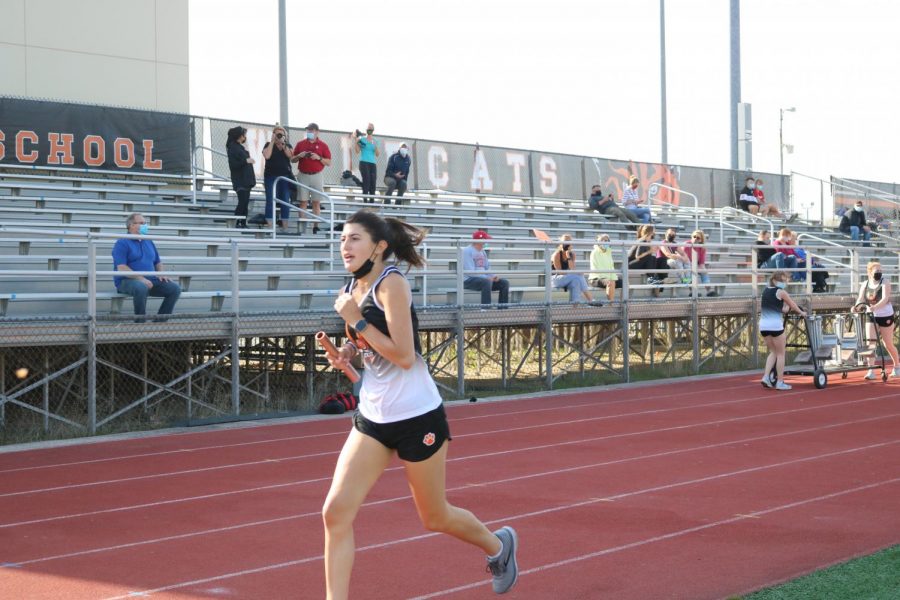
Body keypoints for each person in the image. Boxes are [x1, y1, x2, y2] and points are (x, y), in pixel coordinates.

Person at [322, 210, 519, 599]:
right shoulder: (353, 286)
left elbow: (405, 355)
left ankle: (498, 547)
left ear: (379, 247)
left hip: (417, 417)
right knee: (335, 513)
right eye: (343, 239)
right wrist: (347, 351)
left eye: (354, 239)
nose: (345, 246)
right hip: (374, 418)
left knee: (434, 516)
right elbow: (371, 349)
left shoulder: (390, 284)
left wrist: (356, 322)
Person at [112, 213, 181, 319]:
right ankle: (140, 322)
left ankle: (161, 321)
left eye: (145, 223)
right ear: (131, 225)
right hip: (126, 281)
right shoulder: (122, 243)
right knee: (141, 287)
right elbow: (121, 268)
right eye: (141, 223)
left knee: (174, 288)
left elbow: (157, 262)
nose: (145, 225)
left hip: (150, 280)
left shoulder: (148, 241)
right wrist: (141, 279)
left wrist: (161, 274)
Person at [759, 271, 807, 390]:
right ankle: (780, 382)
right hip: (775, 325)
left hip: (763, 326)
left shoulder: (765, 291)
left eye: (785, 281)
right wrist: (802, 312)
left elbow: (783, 309)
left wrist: (787, 308)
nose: (784, 283)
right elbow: (793, 304)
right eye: (783, 280)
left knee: (773, 352)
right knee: (781, 354)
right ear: (775, 280)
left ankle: (766, 376)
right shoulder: (781, 292)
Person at [853, 261, 900, 379]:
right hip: (871, 314)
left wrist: (874, 307)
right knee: (870, 342)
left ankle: (897, 366)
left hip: (885, 315)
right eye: (876, 271)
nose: (879, 273)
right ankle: (871, 370)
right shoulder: (865, 284)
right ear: (869, 272)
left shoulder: (885, 282)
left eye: (880, 271)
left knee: (887, 343)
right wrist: (856, 307)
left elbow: (885, 298)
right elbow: (860, 298)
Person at [292, 122, 332, 234]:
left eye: (312, 130)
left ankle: (316, 226)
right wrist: (300, 155)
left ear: (317, 131)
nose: (309, 132)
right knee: (303, 202)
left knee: (316, 202)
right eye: (308, 130)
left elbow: (328, 162)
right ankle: (302, 228)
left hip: (317, 175)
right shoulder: (300, 144)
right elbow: (292, 159)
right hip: (303, 174)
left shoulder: (323, 145)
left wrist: (318, 158)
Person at [261, 124, 295, 232]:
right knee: (270, 199)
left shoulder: (288, 145)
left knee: (285, 200)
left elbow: (291, 156)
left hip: (284, 177)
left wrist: (283, 144)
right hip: (270, 176)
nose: (279, 135)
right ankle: (270, 226)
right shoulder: (268, 144)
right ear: (273, 134)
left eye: (281, 133)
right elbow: (267, 156)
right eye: (277, 133)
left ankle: (285, 226)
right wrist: (272, 141)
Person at [462, 230, 510, 305]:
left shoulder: (482, 251)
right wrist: (486, 278)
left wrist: (494, 276)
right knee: (487, 282)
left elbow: (487, 268)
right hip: (468, 280)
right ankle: (485, 308)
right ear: (480, 241)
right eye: (485, 239)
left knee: (504, 283)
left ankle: (503, 308)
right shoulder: (467, 251)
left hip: (483, 278)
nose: (487, 241)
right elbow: (470, 272)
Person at [551, 234, 596, 303]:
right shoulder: (557, 254)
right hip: (556, 279)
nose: (567, 243)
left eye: (569, 241)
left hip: (568, 278)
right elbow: (560, 272)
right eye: (565, 241)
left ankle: (574, 307)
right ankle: (590, 299)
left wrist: (568, 256)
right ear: (561, 243)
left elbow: (572, 269)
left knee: (576, 282)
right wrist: (575, 273)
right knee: (578, 276)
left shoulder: (572, 254)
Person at [226, 126, 256, 228]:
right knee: (243, 201)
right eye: (244, 134)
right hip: (240, 180)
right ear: (239, 135)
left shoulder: (239, 147)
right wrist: (246, 161)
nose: (245, 136)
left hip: (246, 180)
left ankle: (242, 223)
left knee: (245, 202)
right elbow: (233, 165)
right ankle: (237, 222)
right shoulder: (233, 147)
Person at [627, 224, 665, 290]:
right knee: (650, 258)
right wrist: (649, 251)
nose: (655, 232)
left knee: (657, 259)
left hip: (636, 263)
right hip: (629, 265)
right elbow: (638, 256)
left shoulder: (647, 241)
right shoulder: (642, 241)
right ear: (650, 232)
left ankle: (654, 277)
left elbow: (649, 253)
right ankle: (651, 278)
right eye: (654, 230)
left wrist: (652, 250)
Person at [683, 229, 717, 297]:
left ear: (701, 240)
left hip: (694, 265)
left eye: (698, 238)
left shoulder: (702, 248)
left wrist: (702, 269)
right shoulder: (686, 245)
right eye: (694, 236)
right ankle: (692, 291)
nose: (695, 239)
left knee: (704, 271)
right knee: (688, 272)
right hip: (684, 265)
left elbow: (701, 263)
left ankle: (709, 291)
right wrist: (692, 266)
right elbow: (683, 259)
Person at [352, 123, 380, 202]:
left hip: (372, 163)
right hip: (364, 162)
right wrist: (356, 142)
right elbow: (357, 151)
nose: (370, 130)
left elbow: (377, 154)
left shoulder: (375, 141)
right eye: (368, 128)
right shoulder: (362, 139)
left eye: (371, 129)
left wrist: (375, 146)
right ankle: (365, 200)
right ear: (366, 129)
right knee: (366, 179)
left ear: (373, 130)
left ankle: (372, 201)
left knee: (373, 181)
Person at [589, 234, 621, 302]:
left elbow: (611, 268)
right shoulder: (594, 252)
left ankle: (623, 304)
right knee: (610, 282)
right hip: (596, 278)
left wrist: (614, 278)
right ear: (598, 242)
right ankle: (611, 304)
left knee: (625, 283)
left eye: (606, 240)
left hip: (608, 278)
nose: (604, 242)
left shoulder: (608, 252)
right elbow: (595, 269)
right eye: (602, 240)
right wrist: (604, 278)